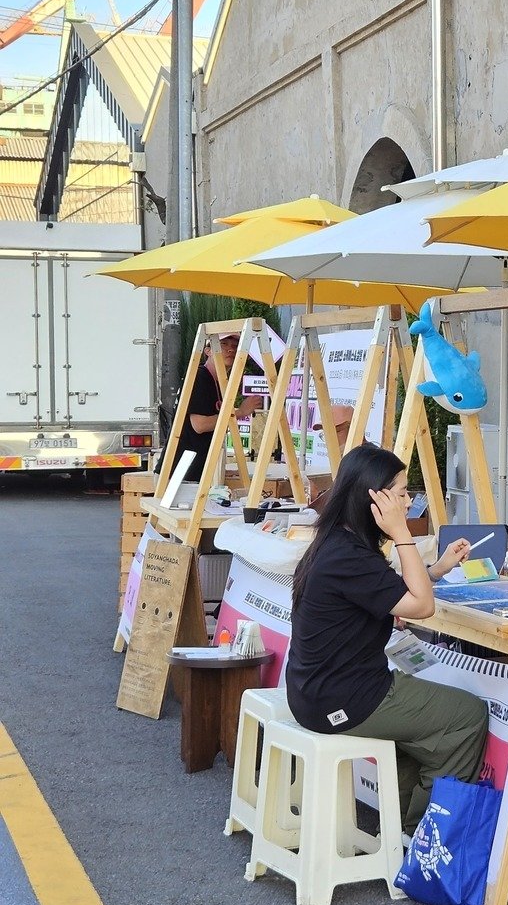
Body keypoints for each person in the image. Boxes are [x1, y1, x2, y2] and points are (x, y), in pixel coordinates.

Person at [286, 445, 486, 834]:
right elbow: (422, 606)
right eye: (400, 493)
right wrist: (401, 534)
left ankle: (402, 832)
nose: (408, 501)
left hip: (318, 691)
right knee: (467, 716)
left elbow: (396, 591)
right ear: (374, 499)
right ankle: (428, 834)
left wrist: (439, 567)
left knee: (425, 737)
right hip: (345, 697)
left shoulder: (337, 543)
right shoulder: (349, 555)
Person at [172, 332, 263, 481]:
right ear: (208, 351)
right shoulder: (200, 377)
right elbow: (200, 425)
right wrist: (240, 412)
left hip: (196, 469)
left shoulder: (219, 383)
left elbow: (216, 426)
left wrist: (218, 469)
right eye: (223, 344)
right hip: (180, 471)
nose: (230, 350)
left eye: (235, 346)